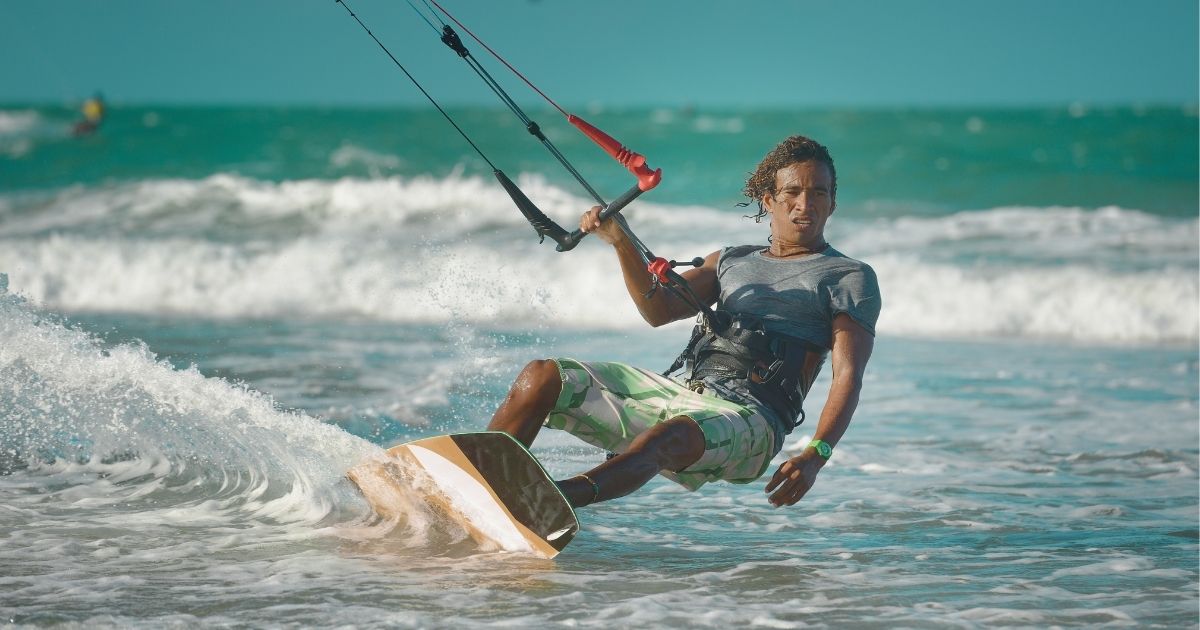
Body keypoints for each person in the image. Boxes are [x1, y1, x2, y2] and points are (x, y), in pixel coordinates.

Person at [488, 135, 880, 508]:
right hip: (685, 395)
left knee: (670, 435)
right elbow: (657, 311)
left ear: (832, 203)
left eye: (819, 192)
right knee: (542, 377)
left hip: (754, 421)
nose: (805, 204)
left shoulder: (848, 275)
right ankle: (481, 475)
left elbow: (848, 375)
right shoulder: (730, 260)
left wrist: (816, 454)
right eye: (793, 192)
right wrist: (622, 242)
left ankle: (547, 500)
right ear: (769, 200)